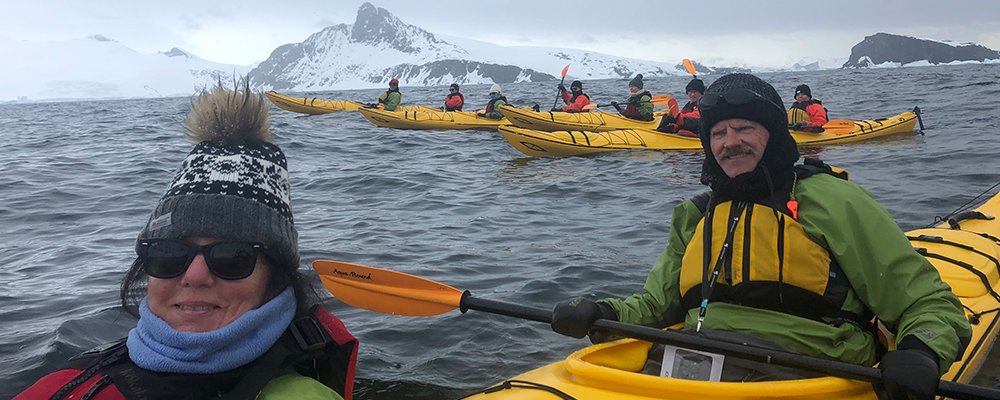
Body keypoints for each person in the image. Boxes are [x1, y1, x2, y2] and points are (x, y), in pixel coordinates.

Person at [549, 73, 971, 400]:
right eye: (718, 133)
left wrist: (921, 352)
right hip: (693, 366)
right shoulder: (696, 214)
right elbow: (657, 306)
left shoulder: (830, 200)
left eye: (743, 129)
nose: (729, 143)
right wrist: (601, 313)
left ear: (772, 135)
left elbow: (926, 303)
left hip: (807, 371)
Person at [15, 79, 359, 400]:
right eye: (167, 254)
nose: (194, 276)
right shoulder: (67, 386)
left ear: (275, 276)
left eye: (232, 257)